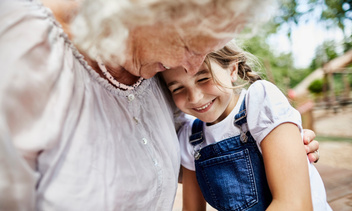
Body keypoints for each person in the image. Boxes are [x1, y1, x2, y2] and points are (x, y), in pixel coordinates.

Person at [0, 0, 320, 210]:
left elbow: (176, 158)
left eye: (207, 50)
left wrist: (281, 150)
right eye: (188, 44)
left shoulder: (156, 69)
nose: (192, 67)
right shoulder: (22, 46)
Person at [160, 43, 331, 210]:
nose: (195, 97)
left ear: (232, 70)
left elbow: (295, 205)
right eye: (177, 88)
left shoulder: (260, 101)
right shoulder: (190, 137)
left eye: (204, 78)